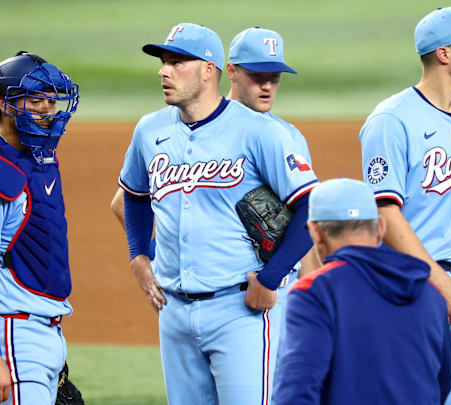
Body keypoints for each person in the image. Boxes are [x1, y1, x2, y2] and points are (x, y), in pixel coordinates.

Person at [118, 23, 318, 404]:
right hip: (173, 312)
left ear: (209, 69)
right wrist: (138, 255)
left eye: (177, 62)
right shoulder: (149, 131)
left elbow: (311, 206)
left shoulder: (262, 133)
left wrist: (272, 277)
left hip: (239, 311)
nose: (164, 71)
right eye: (163, 62)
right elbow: (133, 196)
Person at [359, 6, 451, 404]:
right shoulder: (391, 121)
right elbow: (384, 214)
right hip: (415, 284)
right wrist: (443, 283)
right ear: (443, 54)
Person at [109, 26, 320, 274]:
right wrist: (161, 261)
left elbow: (305, 217)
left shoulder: (285, 136)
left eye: (274, 77)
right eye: (257, 75)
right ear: (231, 71)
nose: (267, 86)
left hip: (269, 288)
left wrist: (302, 288)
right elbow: (124, 201)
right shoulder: (185, 121)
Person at [0, 51, 79, 404]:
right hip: (9, 334)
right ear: (6, 105)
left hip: (39, 331)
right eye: (36, 100)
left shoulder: (37, 161)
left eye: (52, 102)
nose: (48, 111)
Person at [274, 178, 451, 404]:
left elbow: (297, 391)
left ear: (316, 234)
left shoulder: (316, 292)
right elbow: (441, 383)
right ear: (381, 228)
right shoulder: (429, 293)